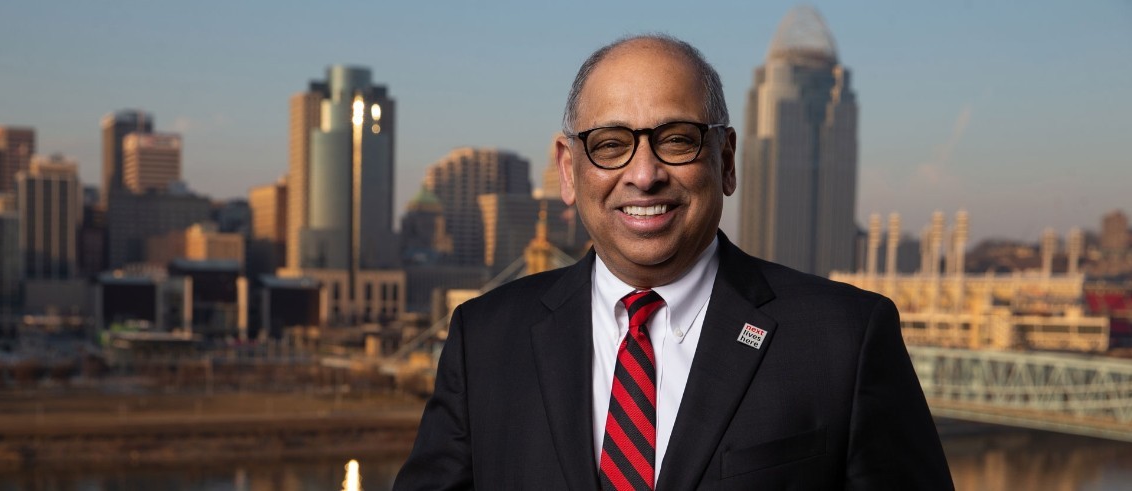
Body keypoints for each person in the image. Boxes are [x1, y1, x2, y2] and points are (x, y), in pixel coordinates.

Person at [395, 34, 953, 490]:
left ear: (726, 160)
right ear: (568, 170)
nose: (644, 174)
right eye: (611, 144)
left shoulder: (845, 340)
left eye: (677, 140)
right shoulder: (486, 338)